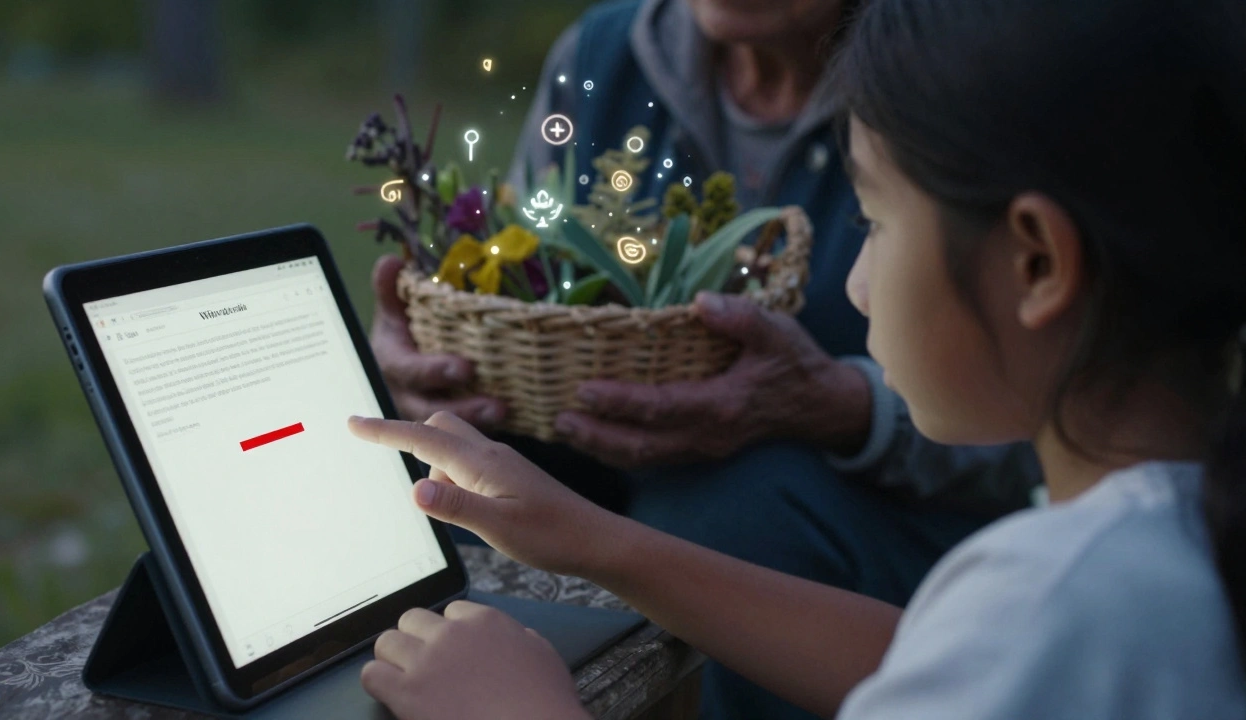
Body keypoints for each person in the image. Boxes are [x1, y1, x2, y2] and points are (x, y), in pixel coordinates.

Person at [351, 0, 1246, 717]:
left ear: (1038, 263)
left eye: (878, 223)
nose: (855, 287)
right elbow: (910, 657)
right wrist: (591, 541)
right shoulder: (1141, 550)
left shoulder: (1055, 607)